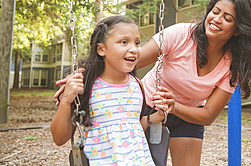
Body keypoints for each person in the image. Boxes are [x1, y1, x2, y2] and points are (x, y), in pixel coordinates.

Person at [55, 0, 251, 166]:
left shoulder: (233, 64)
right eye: (215, 12)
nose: (217, 19)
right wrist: (85, 75)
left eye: (227, 18)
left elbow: (208, 114)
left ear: (237, 30)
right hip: (147, 103)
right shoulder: (181, 34)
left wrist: (173, 107)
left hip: (189, 114)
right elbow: (130, 61)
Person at [50, 15, 174, 166]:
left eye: (137, 43)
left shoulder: (136, 85)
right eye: (124, 42)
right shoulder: (86, 85)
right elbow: (59, 138)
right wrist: (66, 101)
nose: (134, 49)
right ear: (101, 49)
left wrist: (156, 117)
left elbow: (132, 127)